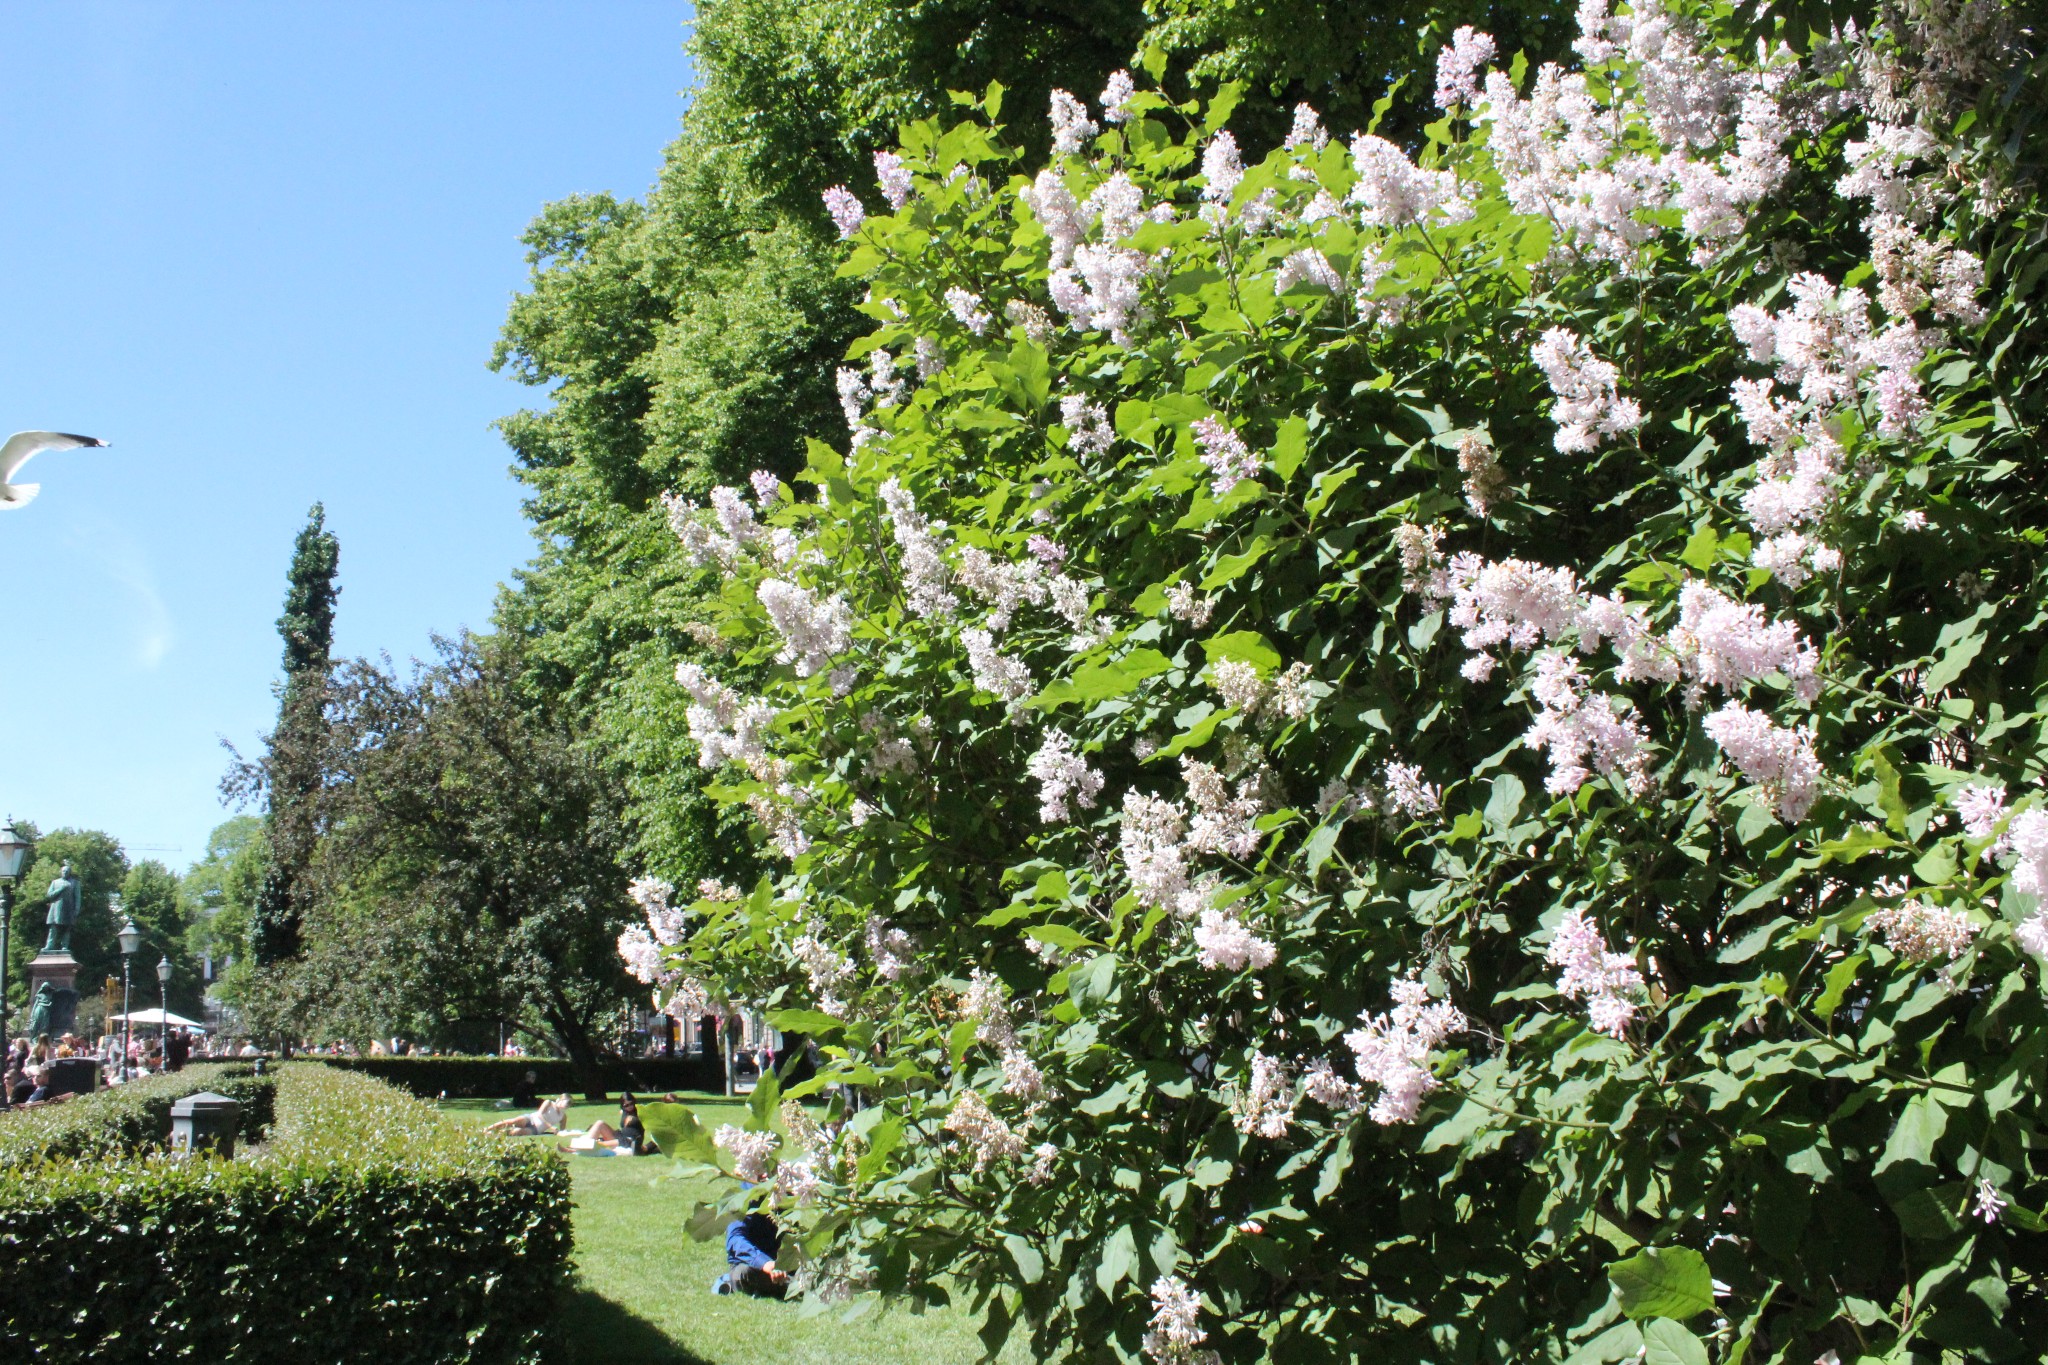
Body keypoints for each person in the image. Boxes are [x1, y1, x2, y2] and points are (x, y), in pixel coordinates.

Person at [713, 1210, 787, 1298]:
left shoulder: (786, 1203)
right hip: (750, 1265)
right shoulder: (745, 1203)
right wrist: (764, 1263)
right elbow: (735, 1240)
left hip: (782, 1267)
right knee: (743, 1272)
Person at [484, 1094, 570, 1136]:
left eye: (566, 1106)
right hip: (531, 1119)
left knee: (517, 1132)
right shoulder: (549, 1103)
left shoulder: (563, 1116)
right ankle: (487, 1129)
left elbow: (562, 1131)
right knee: (512, 1122)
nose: (564, 1107)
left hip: (537, 1129)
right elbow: (540, 1114)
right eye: (563, 1103)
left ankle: (492, 1134)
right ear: (559, 1100)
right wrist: (551, 1127)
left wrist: (557, 1132)